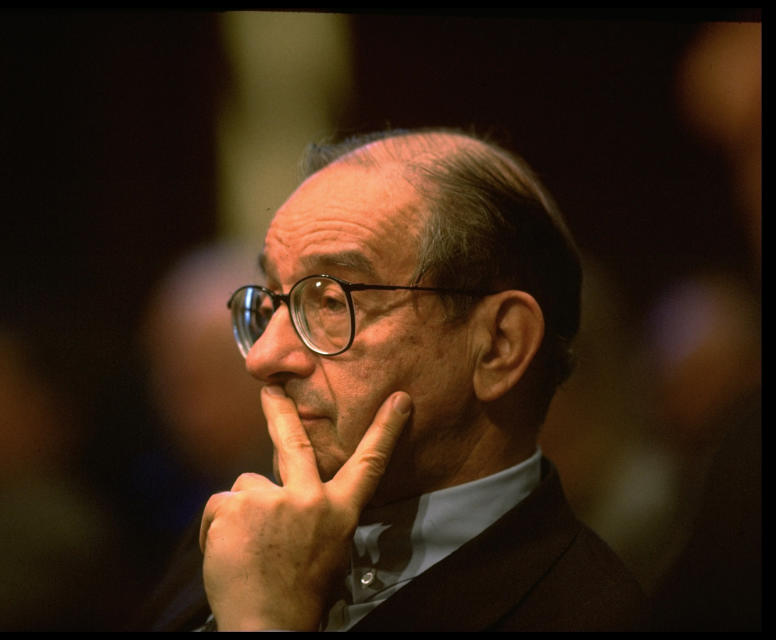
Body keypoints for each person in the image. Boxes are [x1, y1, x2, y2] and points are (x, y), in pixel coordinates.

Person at [139, 127, 649, 631]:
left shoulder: (588, 613)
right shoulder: (240, 533)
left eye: (332, 302)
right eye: (273, 300)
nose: (264, 356)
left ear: (499, 345)